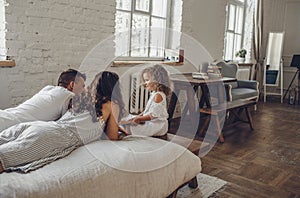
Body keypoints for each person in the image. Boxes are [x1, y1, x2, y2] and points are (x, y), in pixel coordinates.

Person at [0, 71, 125, 173]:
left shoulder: (82, 99)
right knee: (4, 159)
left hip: (42, 126)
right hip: (56, 136)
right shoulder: (112, 104)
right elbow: (112, 137)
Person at [0, 69, 86, 132]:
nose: (83, 90)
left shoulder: (47, 89)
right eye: (82, 86)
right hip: (9, 125)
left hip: (6, 114)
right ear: (72, 84)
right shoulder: (69, 95)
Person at [121, 64, 171, 137]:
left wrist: (139, 118)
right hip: (152, 122)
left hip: (158, 126)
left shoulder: (158, 96)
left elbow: (154, 115)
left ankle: (124, 130)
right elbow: (147, 110)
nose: (145, 83)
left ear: (157, 81)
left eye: (147, 80)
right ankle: (123, 125)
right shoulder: (154, 93)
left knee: (131, 127)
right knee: (130, 118)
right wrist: (138, 116)